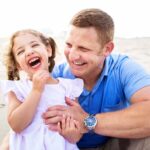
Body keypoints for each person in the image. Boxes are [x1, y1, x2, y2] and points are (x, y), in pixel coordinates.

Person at [42, 8, 150, 150]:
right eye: (69, 45)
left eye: (83, 49)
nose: (72, 56)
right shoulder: (55, 76)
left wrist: (87, 121)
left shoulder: (122, 67)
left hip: (111, 143)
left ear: (107, 49)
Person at [0, 29, 83, 150]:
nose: (29, 52)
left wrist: (72, 134)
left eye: (34, 45)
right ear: (18, 65)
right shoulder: (17, 89)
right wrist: (36, 90)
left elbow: (77, 131)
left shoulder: (69, 87)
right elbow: (16, 126)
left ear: (48, 50)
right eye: (20, 51)